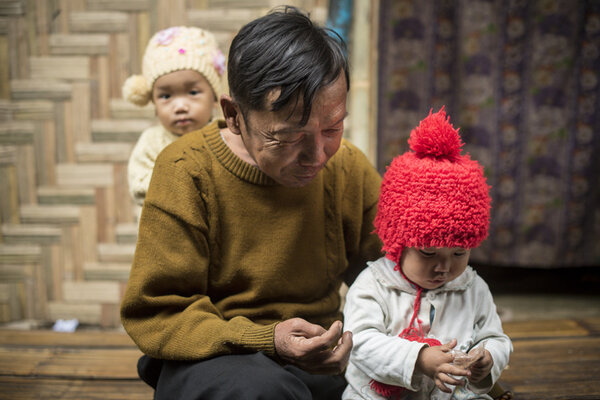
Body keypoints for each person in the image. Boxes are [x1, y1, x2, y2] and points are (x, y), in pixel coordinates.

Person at [120, 6, 383, 400]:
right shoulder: (185, 170)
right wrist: (267, 339)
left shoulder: (348, 168)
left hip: (321, 358)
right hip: (216, 356)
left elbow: (394, 278)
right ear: (234, 116)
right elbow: (158, 311)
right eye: (288, 137)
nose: (317, 155)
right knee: (261, 391)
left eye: (332, 128)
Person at [342, 108, 513, 399]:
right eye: (428, 253)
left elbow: (494, 336)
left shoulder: (472, 288)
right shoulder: (374, 286)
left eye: (459, 253)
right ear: (399, 240)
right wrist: (418, 358)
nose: (444, 268)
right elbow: (360, 342)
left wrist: (488, 357)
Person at [122, 26, 226, 206]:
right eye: (166, 96)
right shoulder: (151, 142)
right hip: (163, 228)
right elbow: (139, 186)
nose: (180, 106)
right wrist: (188, 187)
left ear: (214, 98)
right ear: (153, 103)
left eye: (193, 92)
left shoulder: (225, 135)